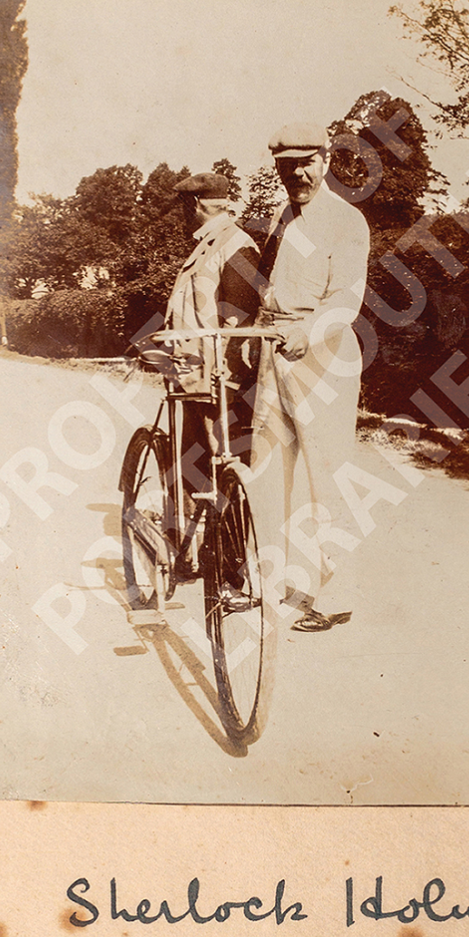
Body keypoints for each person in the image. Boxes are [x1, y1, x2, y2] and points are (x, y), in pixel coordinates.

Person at [250, 122, 370, 633]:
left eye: (305, 162)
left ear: (325, 160)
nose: (296, 173)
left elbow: (345, 297)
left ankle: (335, 594)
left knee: (328, 473)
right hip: (272, 350)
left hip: (323, 357)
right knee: (266, 467)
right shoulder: (284, 216)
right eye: (285, 165)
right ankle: (265, 580)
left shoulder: (347, 221)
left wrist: (308, 331)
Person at [165, 171, 262, 505]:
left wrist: (230, 383)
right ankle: (190, 544)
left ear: (194, 204)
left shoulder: (235, 244)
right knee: (193, 470)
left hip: (217, 384)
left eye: (182, 207)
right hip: (194, 378)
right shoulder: (208, 245)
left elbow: (244, 319)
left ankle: (217, 550)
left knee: (221, 472)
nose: (180, 215)